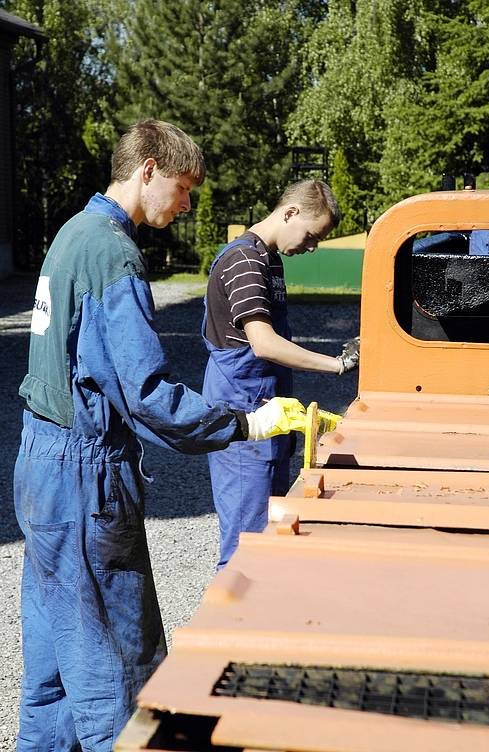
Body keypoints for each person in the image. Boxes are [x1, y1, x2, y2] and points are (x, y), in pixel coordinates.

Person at [14, 119, 305, 752]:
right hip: (83, 477)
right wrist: (246, 422)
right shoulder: (114, 253)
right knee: (117, 668)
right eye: (183, 187)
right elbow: (145, 393)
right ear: (148, 169)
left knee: (54, 671)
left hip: (40, 465)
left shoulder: (71, 234)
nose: (186, 204)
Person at [202, 180, 359, 569]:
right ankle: (233, 623)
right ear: (290, 213)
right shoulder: (245, 260)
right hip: (244, 417)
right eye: (311, 235)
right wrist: (337, 364)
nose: (311, 247)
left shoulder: (268, 259)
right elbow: (264, 344)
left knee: (268, 535)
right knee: (245, 546)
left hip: (268, 412)